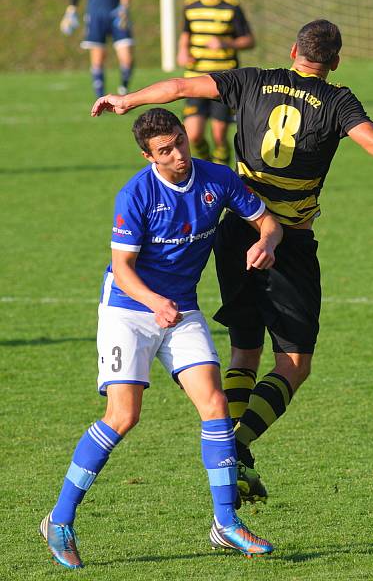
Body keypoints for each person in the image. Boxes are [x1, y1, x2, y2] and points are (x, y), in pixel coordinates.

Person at [91, 19, 373, 507]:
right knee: (294, 363)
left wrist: (129, 100)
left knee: (244, 352)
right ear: (335, 62)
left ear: (294, 49)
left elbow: (181, 85)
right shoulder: (337, 101)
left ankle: (229, 452)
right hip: (287, 241)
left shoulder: (252, 80)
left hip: (236, 232)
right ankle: (232, 448)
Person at [40, 108, 282, 569]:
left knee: (214, 405)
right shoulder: (135, 195)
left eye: (179, 143)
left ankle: (225, 523)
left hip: (180, 310)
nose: (178, 156)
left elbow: (268, 220)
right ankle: (60, 518)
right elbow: (124, 272)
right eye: (165, 151)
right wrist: (155, 303)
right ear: (148, 156)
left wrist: (266, 241)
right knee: (123, 415)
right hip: (129, 311)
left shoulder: (216, 179)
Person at [178, 0, 255, 165]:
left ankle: (221, 175)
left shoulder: (231, 7)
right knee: (193, 134)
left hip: (224, 80)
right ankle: (206, 168)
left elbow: (249, 40)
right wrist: (182, 52)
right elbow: (186, 35)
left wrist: (226, 43)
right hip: (195, 78)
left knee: (219, 135)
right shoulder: (190, 6)